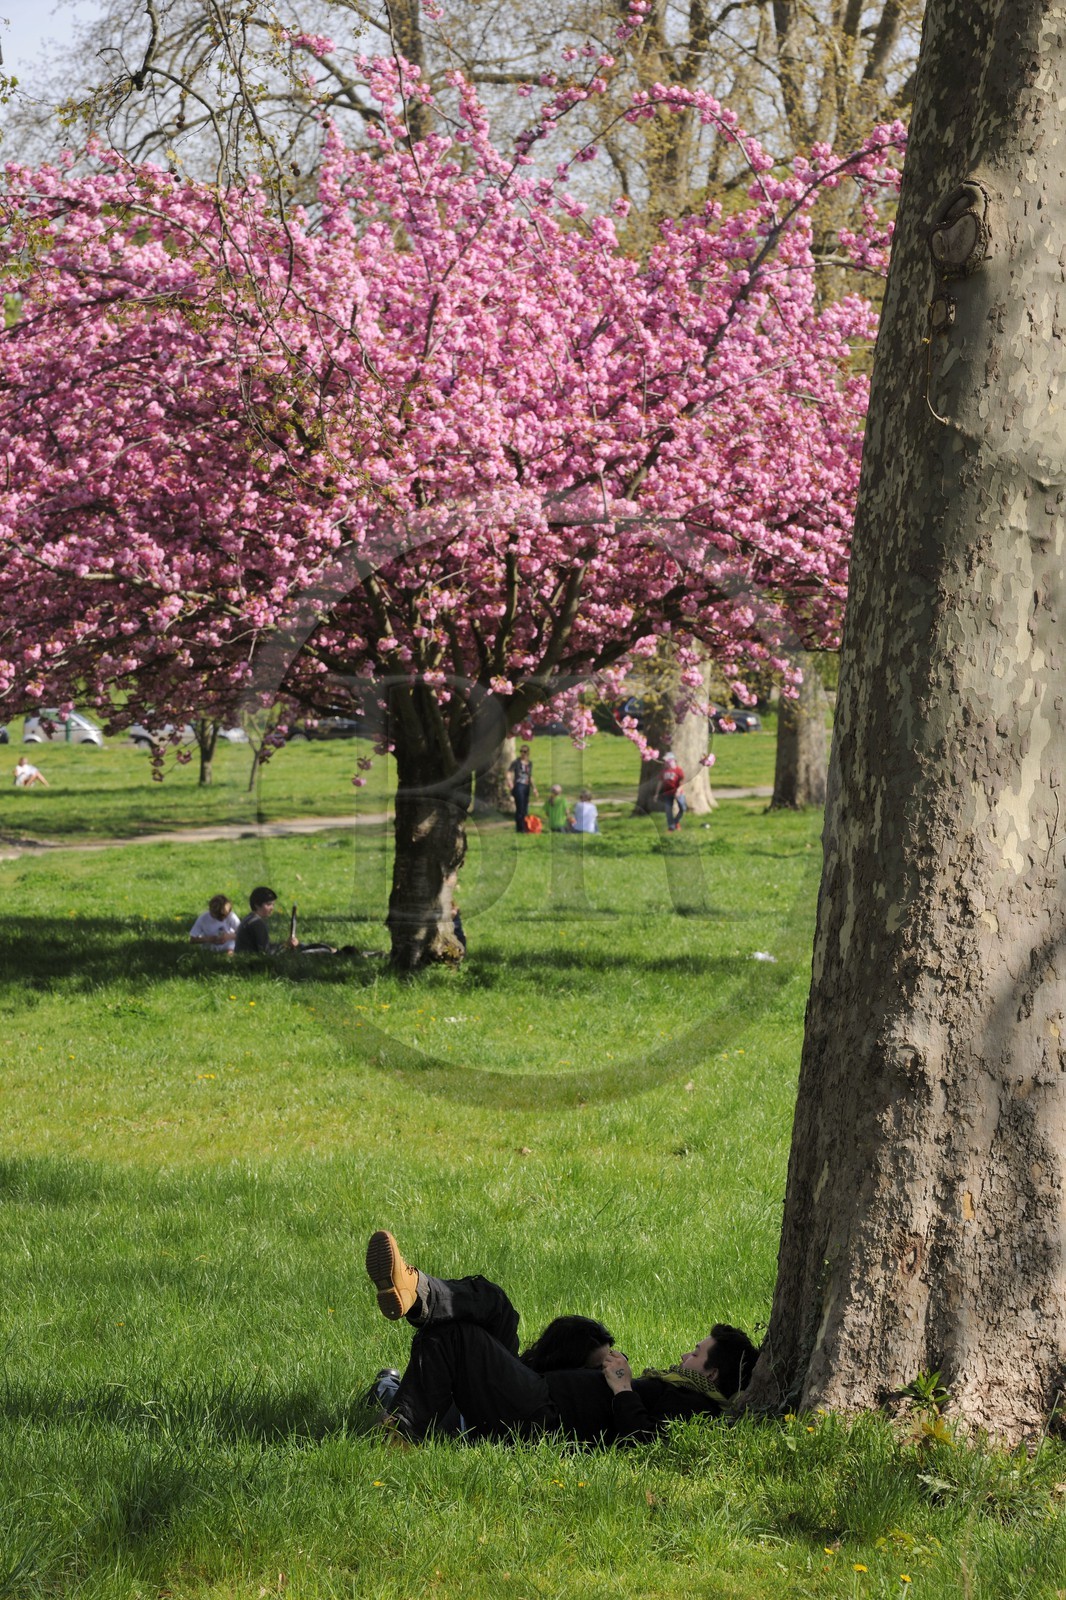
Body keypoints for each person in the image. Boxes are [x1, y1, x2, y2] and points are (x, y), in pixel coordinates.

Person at [363, 1230, 759, 1446]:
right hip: (535, 1393)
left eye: (697, 1353)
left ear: (712, 1374)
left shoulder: (696, 1407)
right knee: (497, 1306)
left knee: (455, 1337)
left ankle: (401, 1429)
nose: (686, 1355)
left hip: (543, 1413)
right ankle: (415, 1293)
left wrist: (622, 1388)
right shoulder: (680, 1389)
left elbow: (643, 1441)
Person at [234, 886, 301, 955]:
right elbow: (266, 952)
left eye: (273, 905)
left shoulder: (249, 918)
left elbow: (266, 946)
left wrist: (285, 944)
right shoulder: (257, 923)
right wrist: (286, 945)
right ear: (257, 905)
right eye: (268, 904)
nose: (272, 908)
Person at [508, 744, 538, 834]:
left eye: (524, 751)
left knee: (525, 808)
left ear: (528, 753)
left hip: (526, 787)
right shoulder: (516, 762)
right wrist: (510, 782)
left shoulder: (530, 764)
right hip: (518, 786)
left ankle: (525, 826)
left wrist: (534, 788)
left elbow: (530, 776)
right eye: (521, 751)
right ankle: (520, 828)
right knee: (520, 808)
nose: (522, 753)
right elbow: (509, 772)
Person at [654, 754, 686, 832]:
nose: (665, 763)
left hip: (678, 793)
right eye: (665, 762)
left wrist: (678, 790)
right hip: (668, 794)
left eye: (667, 761)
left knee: (682, 808)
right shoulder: (663, 771)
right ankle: (671, 827)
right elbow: (660, 783)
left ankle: (676, 822)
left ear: (672, 761)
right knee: (668, 810)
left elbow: (682, 781)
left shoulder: (678, 770)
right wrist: (656, 794)